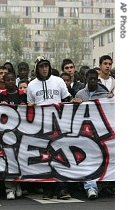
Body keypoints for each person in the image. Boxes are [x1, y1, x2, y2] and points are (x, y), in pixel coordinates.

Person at [27, 56, 81, 200]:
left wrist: (73, 101)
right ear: (37, 68)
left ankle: (63, 189)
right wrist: (29, 106)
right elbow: (28, 106)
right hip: (41, 127)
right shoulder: (31, 85)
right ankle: (48, 189)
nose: (44, 69)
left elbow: (66, 99)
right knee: (45, 158)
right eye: (41, 66)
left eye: (46, 66)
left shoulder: (58, 81)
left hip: (59, 125)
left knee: (61, 156)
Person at [75, 68, 114, 200]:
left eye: (94, 79)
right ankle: (90, 187)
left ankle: (106, 185)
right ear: (86, 79)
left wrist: (111, 99)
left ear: (97, 79)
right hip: (85, 134)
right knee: (87, 161)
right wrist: (76, 102)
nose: (92, 81)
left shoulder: (104, 94)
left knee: (104, 160)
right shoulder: (80, 94)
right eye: (90, 78)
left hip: (102, 133)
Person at [0, 72, 27, 200]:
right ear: (4, 81)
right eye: (7, 80)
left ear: (15, 80)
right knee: (8, 160)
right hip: (6, 132)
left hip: (20, 131)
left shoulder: (23, 95)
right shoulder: (1, 96)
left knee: (19, 160)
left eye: (12, 79)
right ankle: (9, 188)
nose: (10, 82)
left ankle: (18, 185)